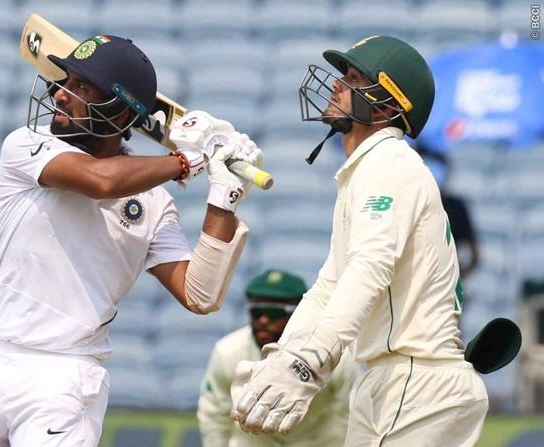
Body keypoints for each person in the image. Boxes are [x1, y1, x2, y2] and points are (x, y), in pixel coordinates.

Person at [0, 35, 262, 447]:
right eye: (65, 80)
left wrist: (223, 197)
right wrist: (190, 159)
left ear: (121, 113)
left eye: (81, 87)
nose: (60, 95)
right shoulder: (27, 146)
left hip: (62, 378)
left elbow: (200, 294)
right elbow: (100, 182)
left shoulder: (153, 202)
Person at [230, 35, 489, 446]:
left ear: (386, 105)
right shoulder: (365, 171)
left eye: (352, 78)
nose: (335, 84)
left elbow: (370, 268)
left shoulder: (389, 164)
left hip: (417, 378)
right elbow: (329, 286)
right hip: (394, 379)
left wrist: (310, 363)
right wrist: (285, 354)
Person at [198, 269, 359, 447]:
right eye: (257, 312)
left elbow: (350, 414)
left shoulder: (334, 357)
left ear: (300, 314)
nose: (264, 321)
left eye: (275, 313)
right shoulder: (227, 352)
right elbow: (214, 416)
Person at [417, 146, 480, 280]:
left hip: (443, 281)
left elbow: (475, 256)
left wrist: (459, 276)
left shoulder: (457, 207)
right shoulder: (409, 205)